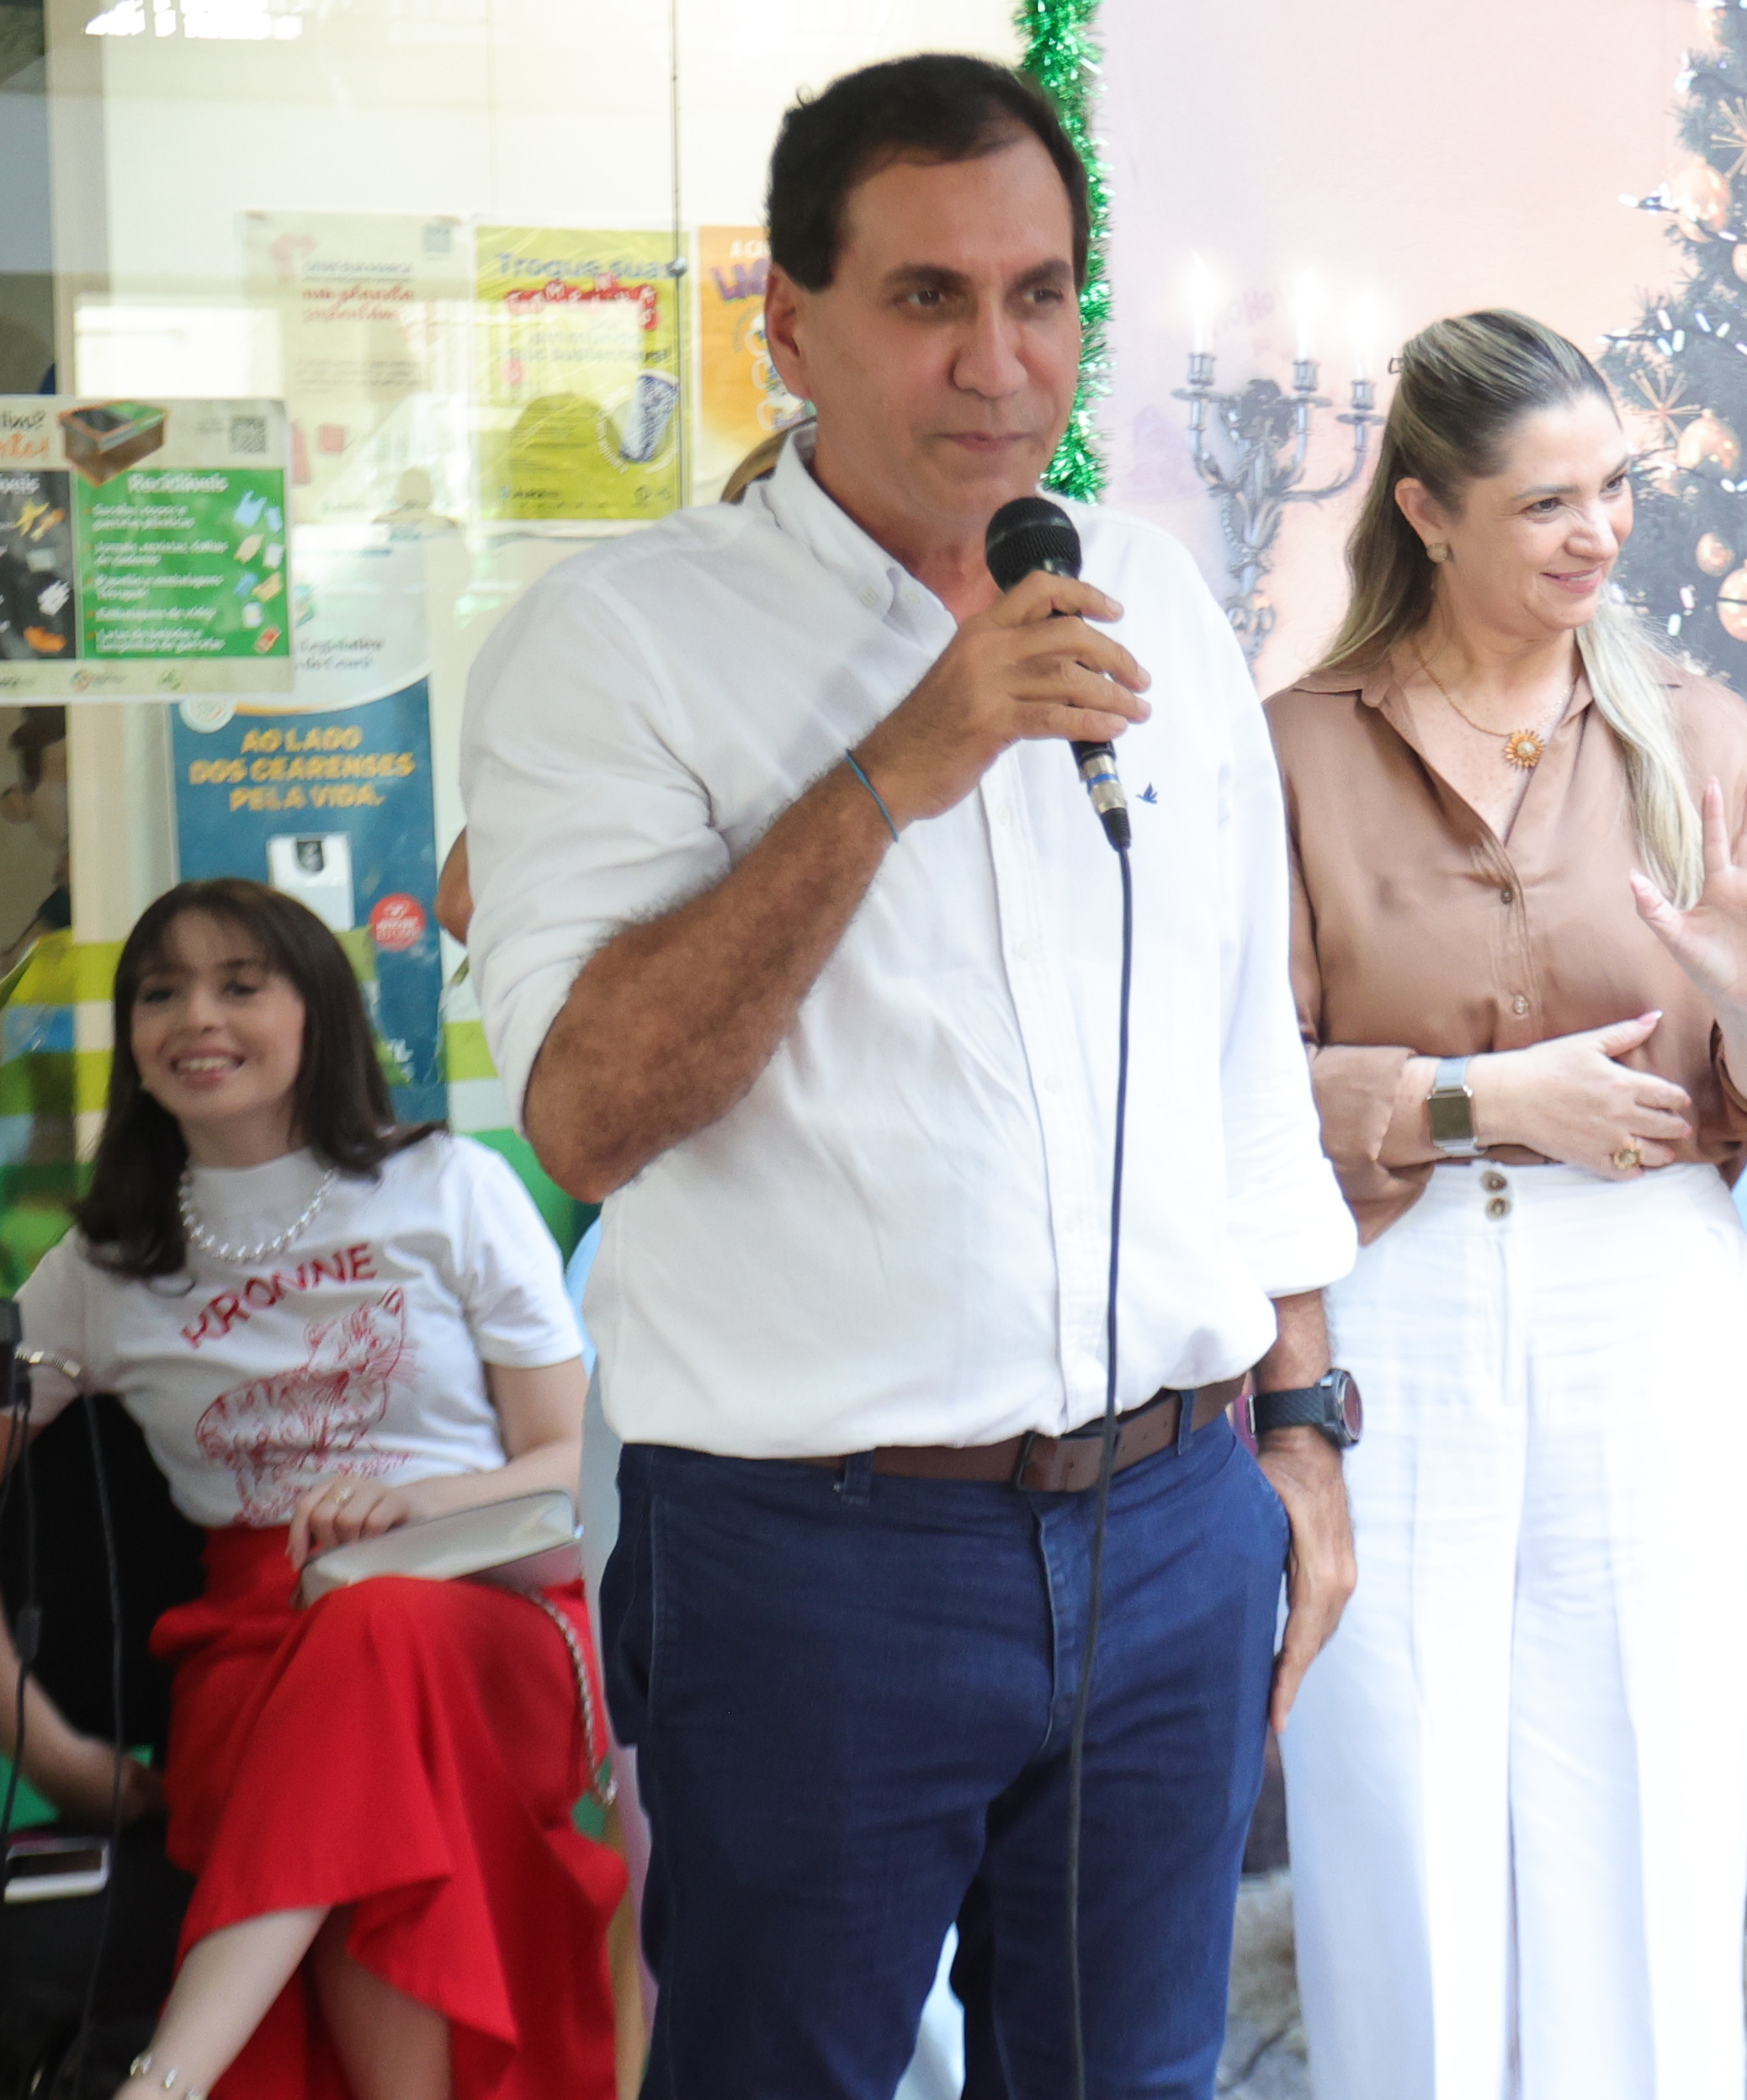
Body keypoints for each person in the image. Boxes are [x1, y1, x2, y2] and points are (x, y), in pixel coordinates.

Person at [459, 54, 1359, 2099]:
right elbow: (589, 1113)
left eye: (1039, 297)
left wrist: (1305, 1428)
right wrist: (900, 766)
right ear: (788, 325)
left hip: (1173, 1528)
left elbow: (1239, 1060)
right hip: (815, 1562)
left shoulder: (1155, 600)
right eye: (928, 298)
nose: (998, 363)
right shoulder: (618, 644)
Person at [1264, 310, 1747, 2100]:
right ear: (1427, 509)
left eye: (1616, 489)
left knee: (1646, 1777)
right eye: (1546, 503)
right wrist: (1482, 1101)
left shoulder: (1703, 733)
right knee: (1397, 1776)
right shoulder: (1292, 750)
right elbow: (1236, 1093)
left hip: (1651, 1290)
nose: (1597, 533)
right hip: (1394, 1290)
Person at [0, 878, 610, 2100]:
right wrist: (46, 1748)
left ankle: (167, 2079)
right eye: (159, 993)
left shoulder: (453, 1187)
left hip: (494, 1613)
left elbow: (575, 1465)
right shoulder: (97, 1270)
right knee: (363, 1724)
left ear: (316, 1009)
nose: (195, 1018)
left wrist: (424, 1507)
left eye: (239, 985)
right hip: (252, 1646)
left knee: (376, 1627)